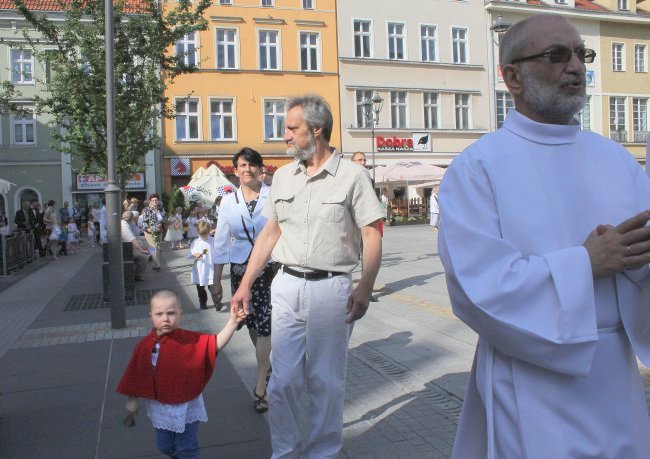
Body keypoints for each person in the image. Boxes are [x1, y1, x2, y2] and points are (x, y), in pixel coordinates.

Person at [438, 14, 650, 458]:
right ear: (511, 76)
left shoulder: (618, 162)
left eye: (581, 54)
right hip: (531, 376)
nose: (576, 67)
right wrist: (585, 262)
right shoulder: (478, 167)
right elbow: (477, 289)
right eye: (557, 55)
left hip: (615, 371)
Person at [230, 94, 383, 458]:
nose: (284, 136)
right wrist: (245, 284)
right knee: (282, 383)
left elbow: (372, 234)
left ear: (317, 130)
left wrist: (365, 286)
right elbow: (270, 234)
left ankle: (322, 453)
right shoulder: (283, 177)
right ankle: (284, 451)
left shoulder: (353, 176)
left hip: (332, 290)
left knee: (324, 382)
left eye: (291, 129)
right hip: (285, 284)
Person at [116, 289, 246, 459]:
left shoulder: (189, 339)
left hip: (187, 404)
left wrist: (232, 323)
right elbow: (136, 374)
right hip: (160, 405)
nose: (165, 318)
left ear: (180, 314)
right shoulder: (145, 346)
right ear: (151, 317)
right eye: (159, 314)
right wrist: (132, 400)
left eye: (171, 313)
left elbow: (214, 344)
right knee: (164, 446)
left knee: (188, 447)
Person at [212, 147, 277, 414]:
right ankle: (267, 365)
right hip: (240, 270)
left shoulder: (273, 196)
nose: (246, 169)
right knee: (250, 322)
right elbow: (220, 243)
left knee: (265, 325)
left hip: (270, 268)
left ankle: (261, 386)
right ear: (235, 170)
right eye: (241, 165)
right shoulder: (228, 201)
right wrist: (215, 280)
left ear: (260, 169)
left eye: (251, 164)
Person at [187, 220, 215, 310]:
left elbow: (218, 250)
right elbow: (190, 253)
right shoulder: (196, 242)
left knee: (213, 287)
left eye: (205, 234)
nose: (204, 236)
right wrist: (195, 254)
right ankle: (203, 302)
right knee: (200, 287)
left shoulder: (212, 240)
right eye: (202, 234)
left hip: (210, 267)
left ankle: (217, 301)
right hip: (200, 268)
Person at [121, 211, 149, 281]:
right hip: (125, 249)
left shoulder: (123, 223)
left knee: (143, 242)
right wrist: (141, 250)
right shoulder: (125, 225)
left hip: (125, 247)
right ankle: (138, 275)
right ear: (131, 219)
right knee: (144, 257)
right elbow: (132, 240)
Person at [142, 193, 166, 271]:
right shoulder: (147, 210)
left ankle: (155, 263)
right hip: (149, 232)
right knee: (154, 247)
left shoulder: (161, 209)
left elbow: (164, 219)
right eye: (153, 200)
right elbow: (144, 222)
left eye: (156, 200)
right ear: (151, 202)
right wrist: (148, 229)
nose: (155, 202)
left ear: (158, 201)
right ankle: (157, 265)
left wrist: (161, 225)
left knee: (157, 248)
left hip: (158, 231)